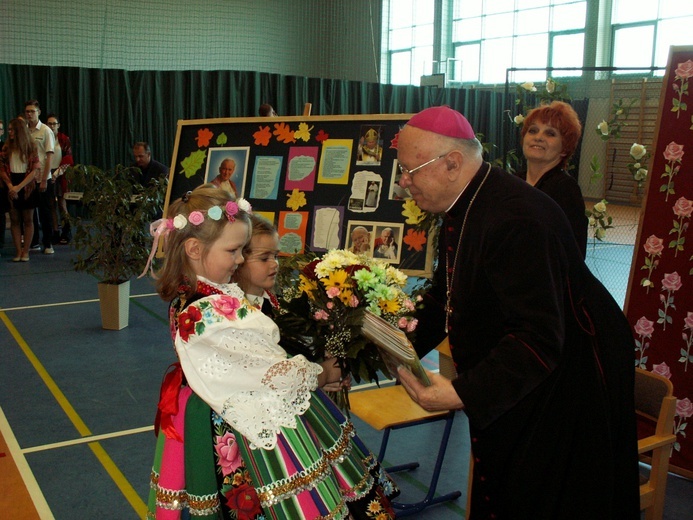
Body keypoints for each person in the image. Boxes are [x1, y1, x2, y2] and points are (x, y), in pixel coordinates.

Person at [395, 106, 640, 519]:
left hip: (563, 385)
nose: (403, 183)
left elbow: (539, 337)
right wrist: (396, 343)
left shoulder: (517, 218)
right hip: (521, 374)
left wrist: (461, 392)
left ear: (452, 163)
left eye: (409, 171)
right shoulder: (467, 203)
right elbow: (446, 294)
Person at [144, 186, 397, 519]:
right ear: (194, 248)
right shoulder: (207, 311)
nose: (239, 260)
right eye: (234, 250)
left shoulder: (196, 294)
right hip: (235, 418)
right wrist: (324, 373)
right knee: (273, 495)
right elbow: (273, 374)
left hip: (220, 400)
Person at [518, 101, 588, 258]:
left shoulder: (565, 189)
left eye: (550, 134)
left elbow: (573, 252)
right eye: (533, 131)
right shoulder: (513, 182)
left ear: (564, 148)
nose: (538, 137)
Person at [0, 118, 41, 261]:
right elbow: (2, 169)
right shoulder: (6, 148)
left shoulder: (31, 147)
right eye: (9, 130)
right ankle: (18, 251)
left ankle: (26, 251)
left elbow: (35, 170)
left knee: (28, 219)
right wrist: (11, 186)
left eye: (12, 130)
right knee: (14, 219)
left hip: (26, 185)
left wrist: (19, 187)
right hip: (11, 183)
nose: (10, 132)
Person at [25, 100, 55, 254]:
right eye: (27, 112)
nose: (29, 114)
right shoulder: (24, 130)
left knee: (45, 212)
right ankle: (34, 241)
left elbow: (49, 156)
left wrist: (44, 179)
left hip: (43, 178)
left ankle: (48, 243)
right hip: (28, 178)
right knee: (30, 211)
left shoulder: (45, 131)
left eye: (32, 111)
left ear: (38, 112)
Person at [46, 114, 74, 244]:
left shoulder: (64, 139)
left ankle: (66, 230)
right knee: (51, 205)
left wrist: (56, 173)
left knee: (62, 204)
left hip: (60, 174)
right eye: (49, 124)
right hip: (47, 173)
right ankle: (55, 231)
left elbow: (68, 159)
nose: (51, 126)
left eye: (54, 124)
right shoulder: (45, 138)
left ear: (58, 125)